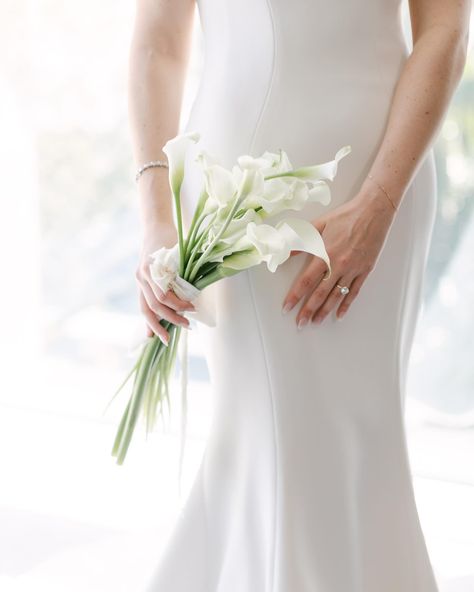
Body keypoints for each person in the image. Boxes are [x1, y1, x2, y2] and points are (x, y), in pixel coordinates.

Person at [130, 1, 471, 590]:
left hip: (383, 175)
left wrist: (380, 202)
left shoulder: (382, 200)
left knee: (360, 438)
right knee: (272, 438)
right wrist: (157, 217)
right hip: (239, 189)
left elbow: (445, 30)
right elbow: (157, 43)